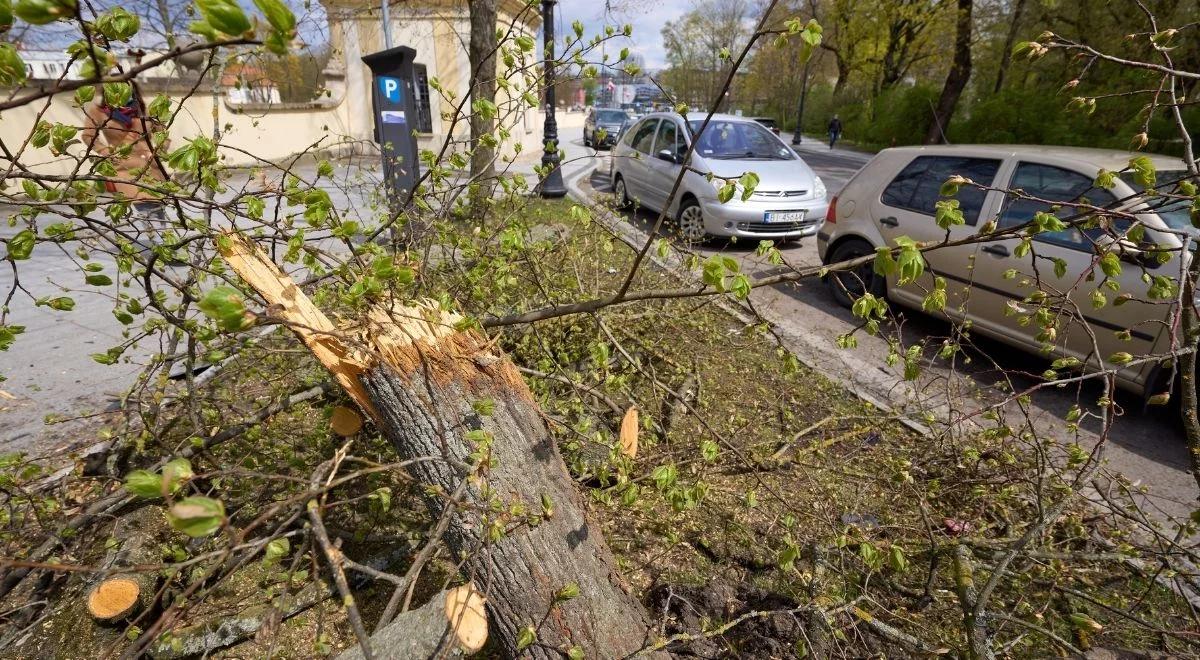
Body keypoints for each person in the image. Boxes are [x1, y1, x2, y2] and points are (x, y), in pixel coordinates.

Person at [81, 95, 171, 244]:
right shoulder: (98, 111)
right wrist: (105, 152)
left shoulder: (144, 110)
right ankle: (161, 244)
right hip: (125, 168)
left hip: (151, 166)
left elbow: (163, 134)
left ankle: (165, 241)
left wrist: (158, 150)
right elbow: (88, 136)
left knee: (158, 205)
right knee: (145, 203)